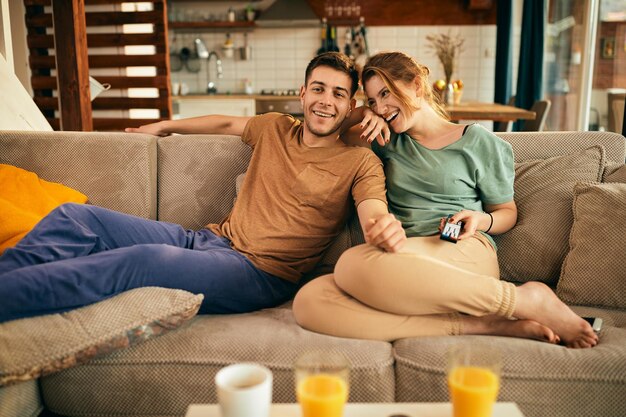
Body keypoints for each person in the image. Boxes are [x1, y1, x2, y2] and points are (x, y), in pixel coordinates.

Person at [0, 52, 397, 323]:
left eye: (338, 94)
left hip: (259, 273)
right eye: (318, 89)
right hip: (209, 241)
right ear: (302, 93)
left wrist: (382, 225)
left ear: (350, 108)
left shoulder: (359, 162)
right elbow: (226, 124)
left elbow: (373, 209)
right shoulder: (276, 127)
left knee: (142, 260)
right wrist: (165, 126)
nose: (325, 101)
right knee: (77, 216)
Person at [293, 51, 599, 349]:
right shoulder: (386, 140)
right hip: (403, 266)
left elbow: (506, 212)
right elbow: (330, 133)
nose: (382, 107)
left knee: (351, 265)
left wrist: (480, 220)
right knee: (310, 301)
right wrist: (364, 113)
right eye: (374, 100)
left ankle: (523, 299)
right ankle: (482, 325)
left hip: (462, 250)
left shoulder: (479, 142)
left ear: (415, 84)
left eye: (387, 94)